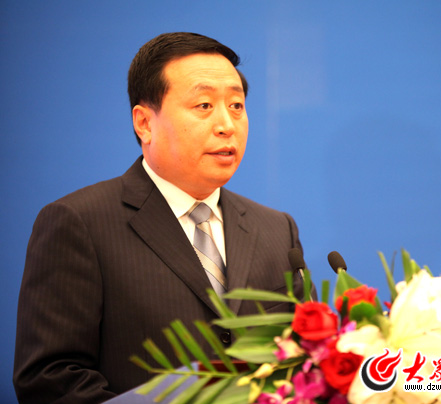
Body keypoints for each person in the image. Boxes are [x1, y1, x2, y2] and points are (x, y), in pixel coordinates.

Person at [13, 32, 308, 403]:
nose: (227, 124)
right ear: (144, 123)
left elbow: (306, 358)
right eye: (204, 105)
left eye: (236, 105)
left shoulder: (277, 230)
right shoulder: (79, 223)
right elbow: (49, 380)